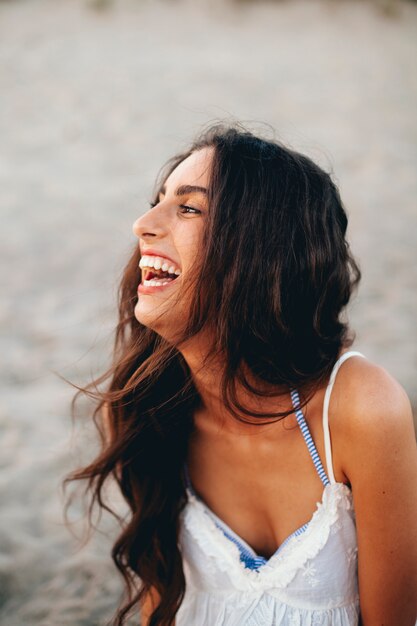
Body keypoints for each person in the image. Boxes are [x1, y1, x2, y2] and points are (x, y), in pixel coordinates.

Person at [66, 122, 417, 626]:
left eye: (187, 208)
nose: (142, 224)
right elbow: (157, 605)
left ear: (260, 249)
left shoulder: (360, 409)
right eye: (158, 201)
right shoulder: (144, 408)